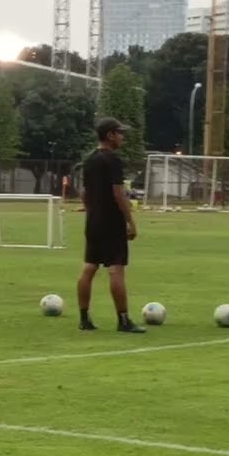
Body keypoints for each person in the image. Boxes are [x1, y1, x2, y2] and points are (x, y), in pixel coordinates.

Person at [76, 118, 145, 333]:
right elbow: (118, 193)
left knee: (89, 267)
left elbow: (85, 193)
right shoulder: (113, 160)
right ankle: (123, 320)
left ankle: (84, 319)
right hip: (111, 222)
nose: (123, 137)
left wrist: (91, 212)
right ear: (110, 136)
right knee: (116, 270)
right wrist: (130, 221)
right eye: (120, 133)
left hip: (94, 220)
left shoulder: (90, 160)